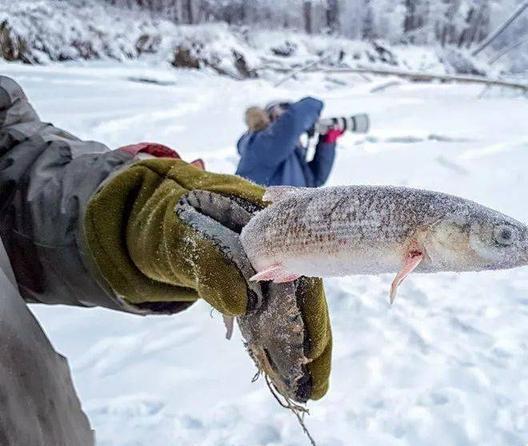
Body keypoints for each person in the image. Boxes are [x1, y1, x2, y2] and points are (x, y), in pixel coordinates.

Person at [0, 76, 332, 445]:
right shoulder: (260, 143)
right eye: (280, 115)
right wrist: (309, 104)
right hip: (259, 224)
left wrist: (135, 217)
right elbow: (285, 132)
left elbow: (16, 176)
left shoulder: (292, 151)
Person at [235, 97, 343, 187]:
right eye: (280, 118)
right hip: (263, 211)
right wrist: (316, 104)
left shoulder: (288, 153)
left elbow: (312, 182)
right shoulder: (260, 145)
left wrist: (326, 143)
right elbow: (294, 122)